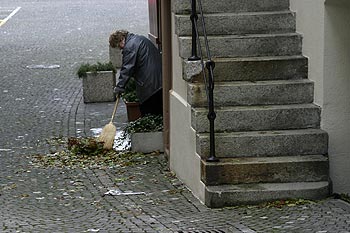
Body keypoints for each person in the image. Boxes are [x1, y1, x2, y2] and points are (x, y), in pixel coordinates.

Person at [109, 30, 163, 116]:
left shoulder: (130, 46)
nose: (120, 48)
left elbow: (127, 68)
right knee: (157, 111)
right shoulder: (139, 38)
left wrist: (120, 87)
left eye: (119, 46)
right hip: (158, 80)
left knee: (149, 113)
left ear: (121, 39)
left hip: (150, 84)